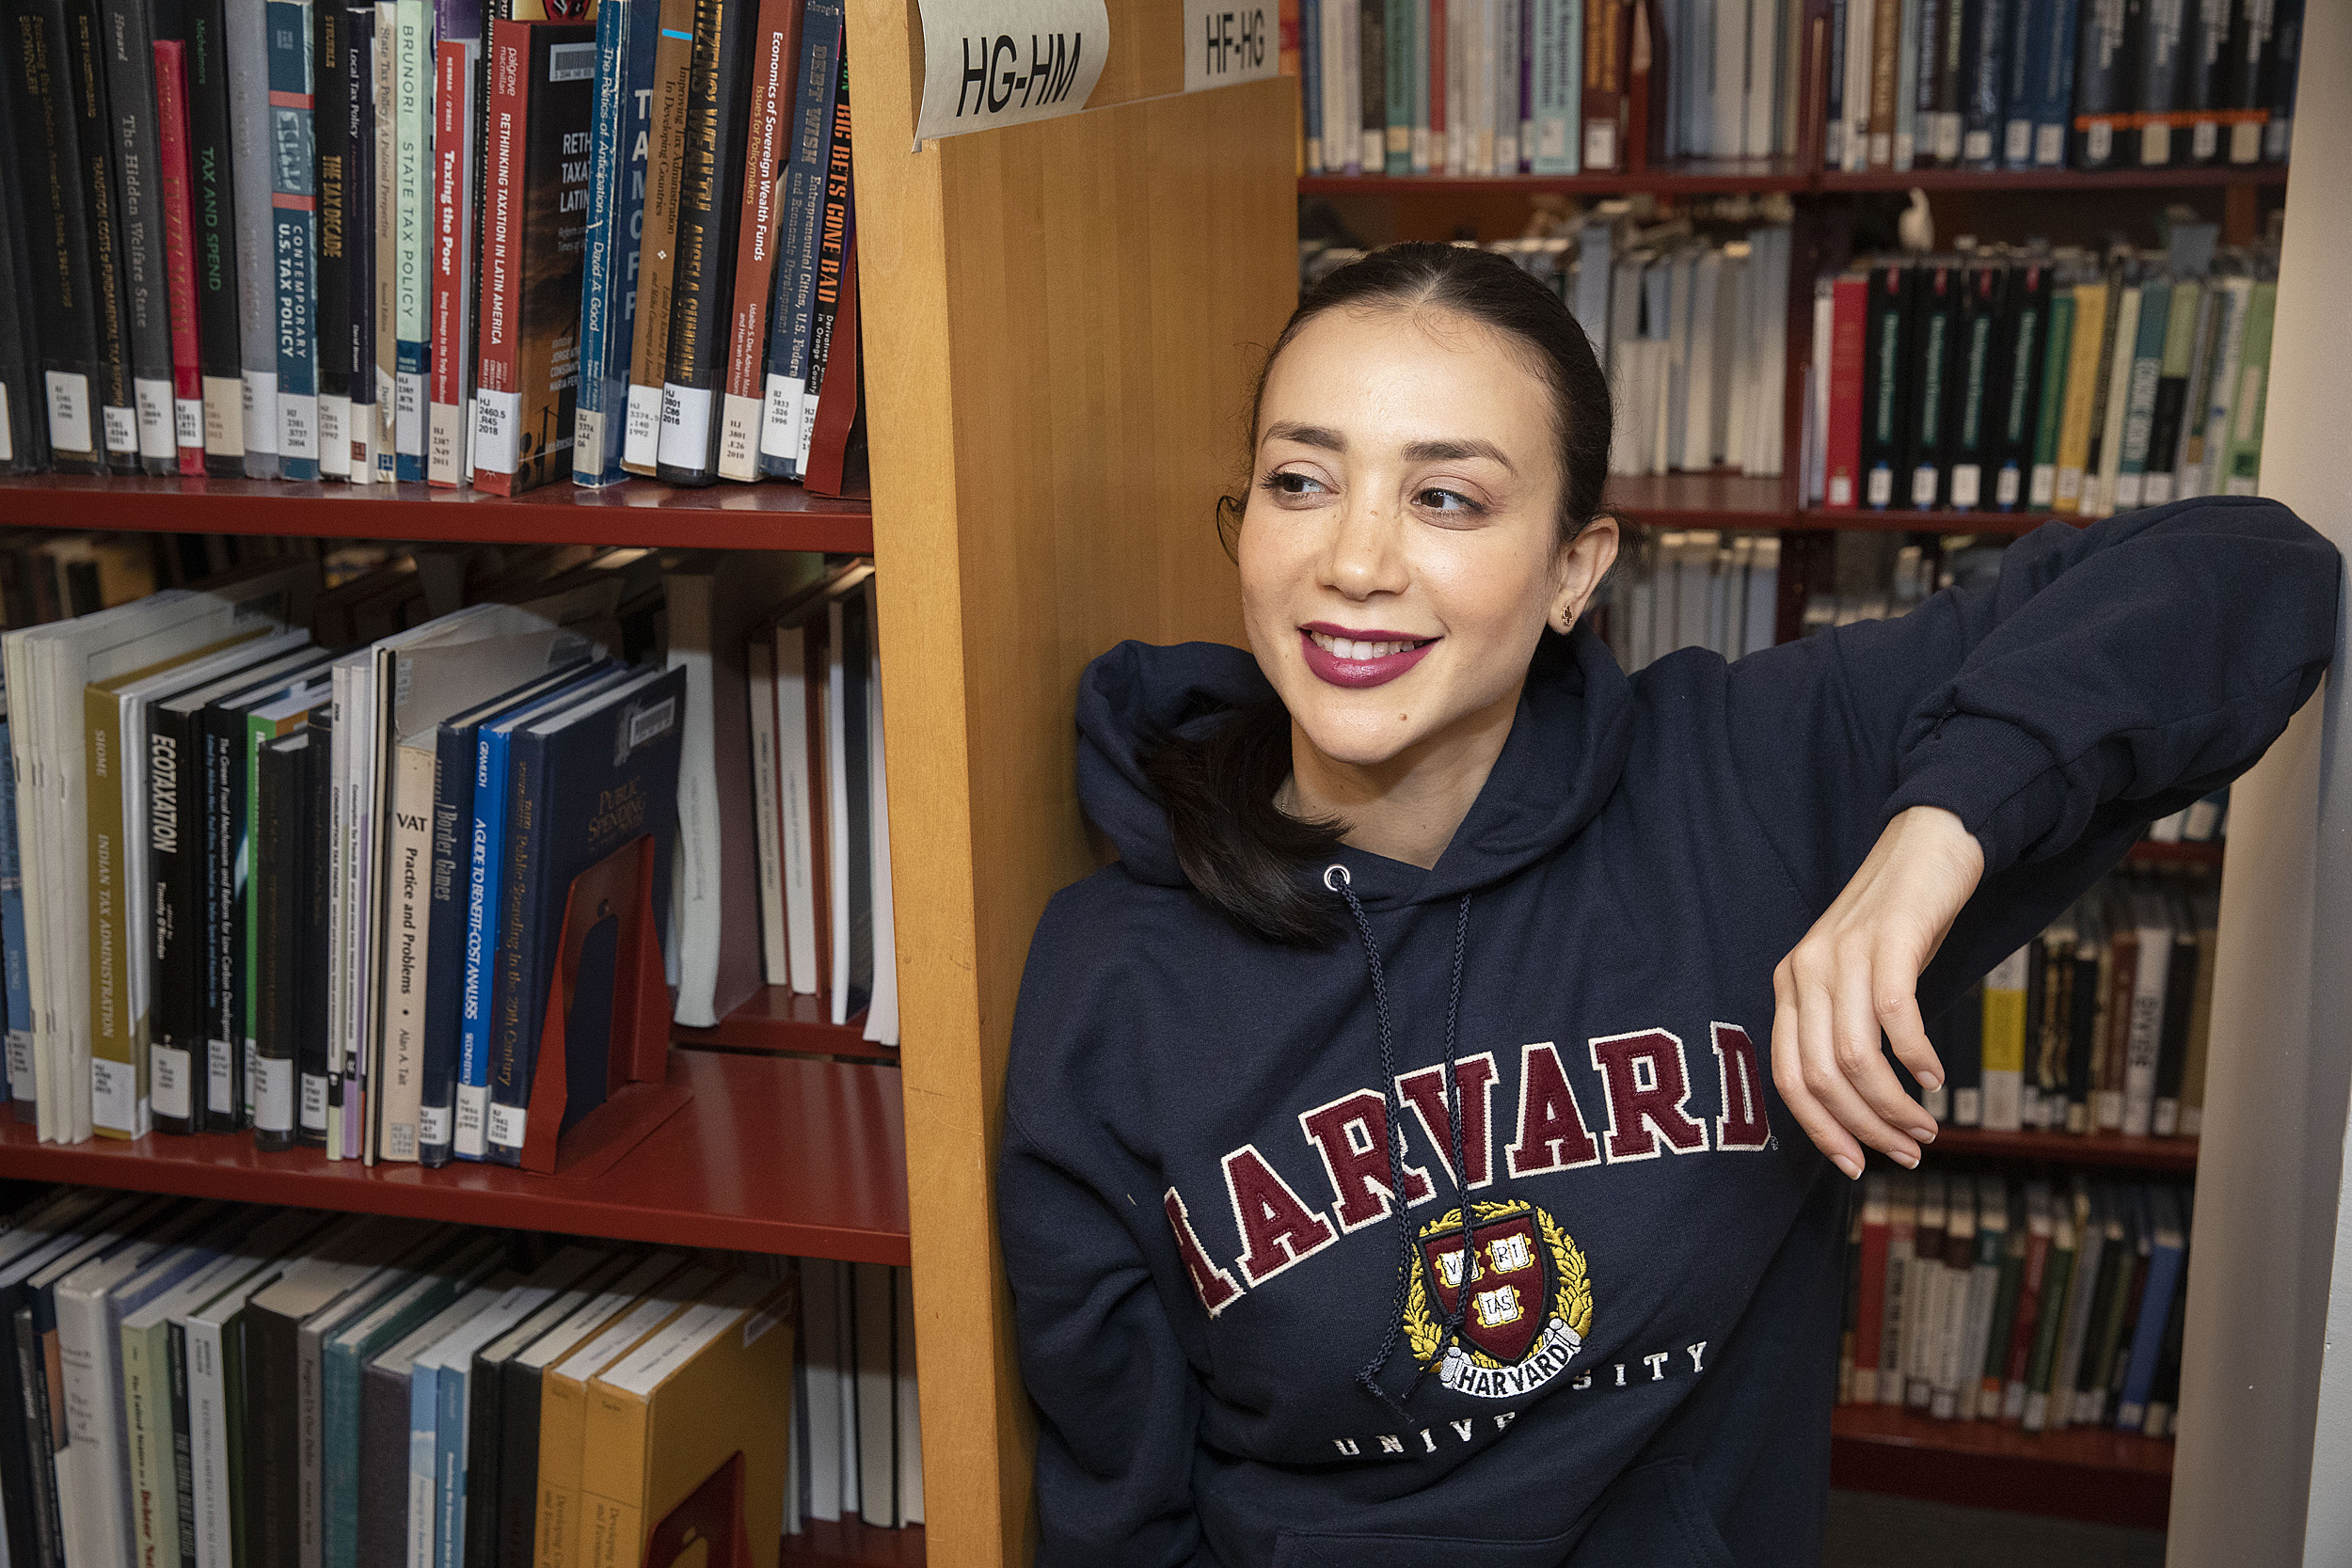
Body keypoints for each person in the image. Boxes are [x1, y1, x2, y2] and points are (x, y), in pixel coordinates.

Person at [996, 242, 2337, 1568]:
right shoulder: (1114, 977)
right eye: (1303, 480)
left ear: (1577, 570)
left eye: (1447, 499)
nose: (1355, 560)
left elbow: (2254, 565)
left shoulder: (1750, 788)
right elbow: (1121, 1507)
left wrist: (1930, 840)